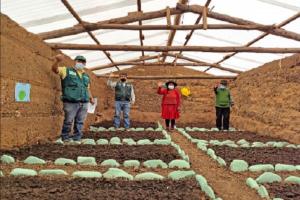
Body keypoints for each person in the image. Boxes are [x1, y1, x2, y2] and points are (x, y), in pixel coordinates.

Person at [52, 54, 94, 142]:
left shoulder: (86, 76)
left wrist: (91, 98)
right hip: (71, 102)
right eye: (79, 61)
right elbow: (55, 70)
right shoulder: (66, 70)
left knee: (80, 121)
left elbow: (87, 88)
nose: (80, 63)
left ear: (85, 64)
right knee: (68, 120)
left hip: (84, 102)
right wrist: (57, 61)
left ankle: (77, 138)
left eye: (83, 62)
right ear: (75, 62)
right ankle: (65, 138)